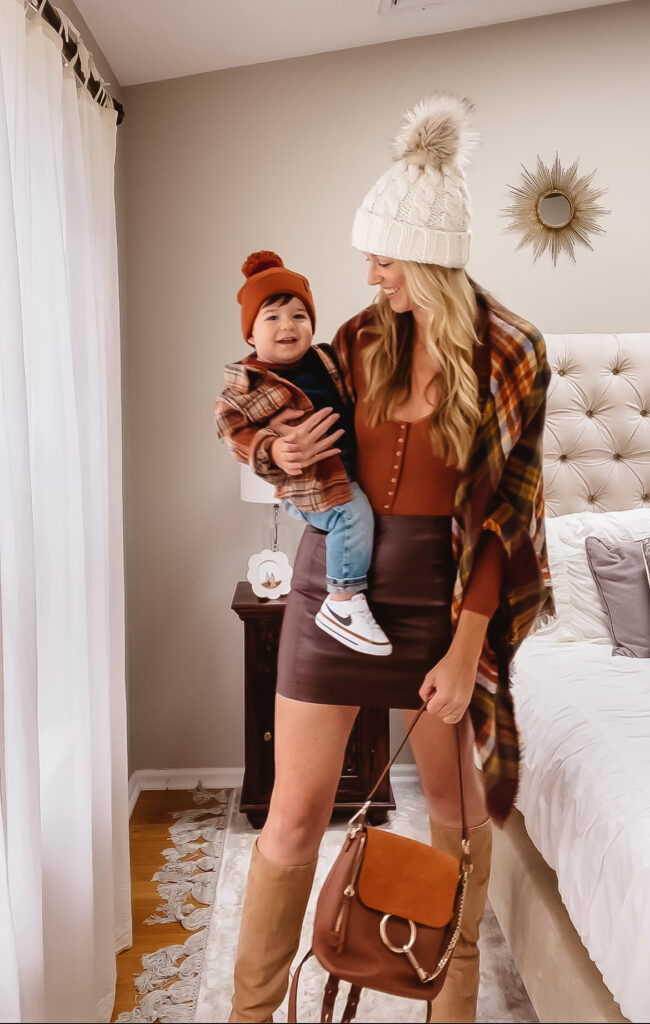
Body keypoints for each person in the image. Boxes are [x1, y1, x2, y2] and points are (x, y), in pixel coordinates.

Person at [227, 92, 553, 1024]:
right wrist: (268, 454)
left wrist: (466, 648)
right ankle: (251, 1016)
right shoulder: (359, 340)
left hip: (445, 613)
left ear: (430, 259)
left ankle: (451, 1014)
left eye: (385, 257)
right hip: (333, 591)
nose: (369, 272)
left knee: (456, 820)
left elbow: (508, 520)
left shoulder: (513, 356)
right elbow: (263, 401)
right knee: (294, 816)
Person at [214, 250, 392, 656]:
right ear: (251, 335)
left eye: (299, 315)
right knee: (352, 512)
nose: (287, 325)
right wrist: (273, 448)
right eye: (272, 317)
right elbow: (229, 427)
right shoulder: (250, 384)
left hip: (348, 468)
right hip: (310, 484)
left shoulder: (328, 359)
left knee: (365, 512)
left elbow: (368, 335)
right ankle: (343, 602)